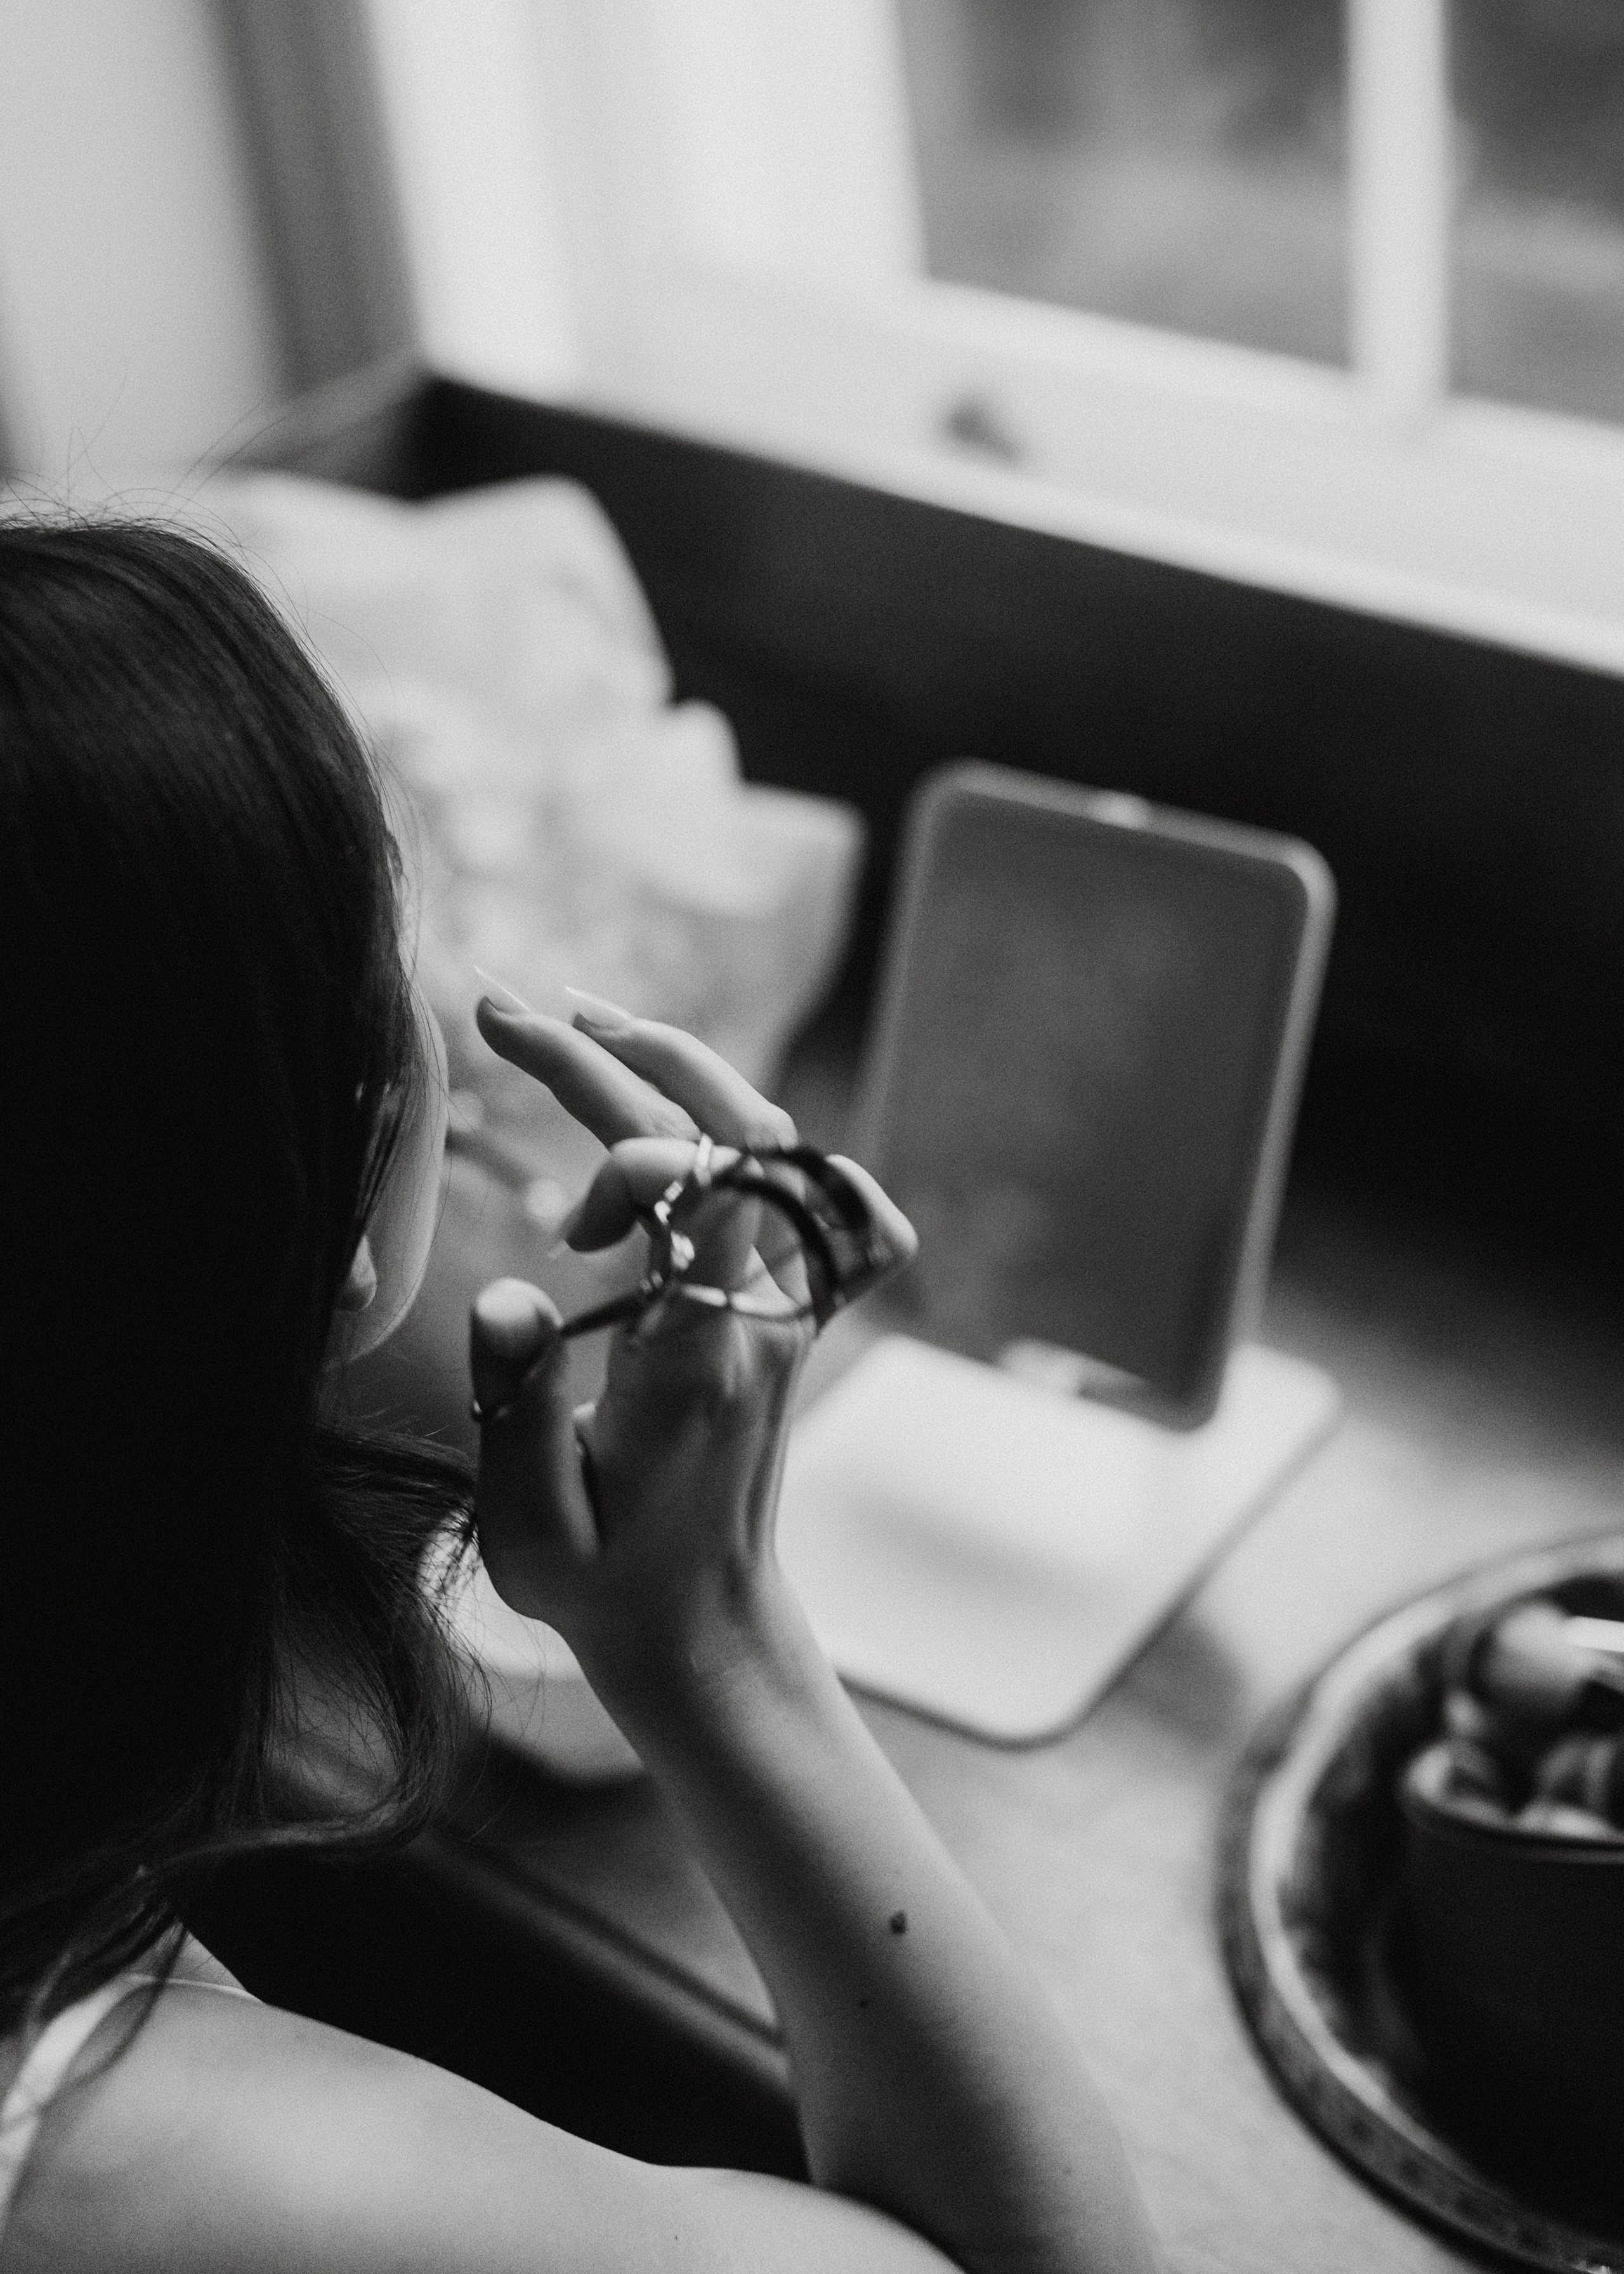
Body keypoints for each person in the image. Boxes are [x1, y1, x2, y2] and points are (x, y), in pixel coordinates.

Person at [0, 518, 1161, 2274]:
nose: (448, 997)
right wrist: (711, 1634)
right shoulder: (170, 2169)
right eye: (395, 912)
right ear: (341, 1172)